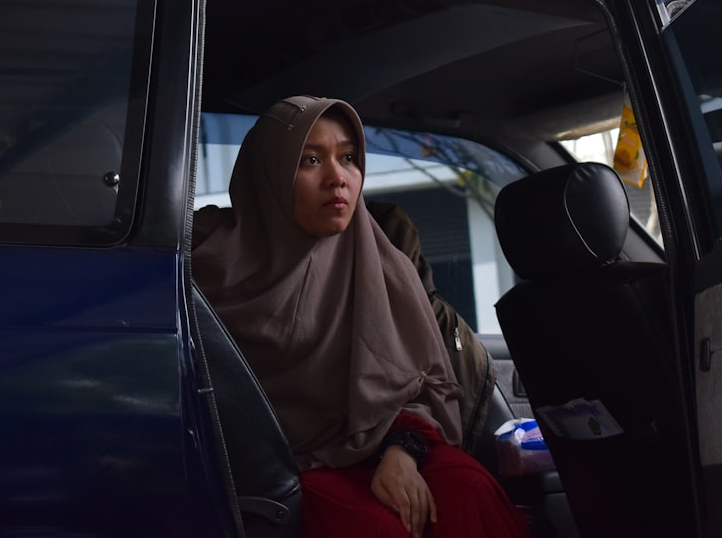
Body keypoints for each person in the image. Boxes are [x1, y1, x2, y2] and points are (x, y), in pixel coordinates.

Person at [192, 95, 528, 538]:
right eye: (310, 160)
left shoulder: (381, 261)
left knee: (469, 490)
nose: (338, 178)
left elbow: (422, 382)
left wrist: (400, 453)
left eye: (349, 157)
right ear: (268, 176)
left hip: (386, 444)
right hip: (278, 471)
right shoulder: (204, 272)